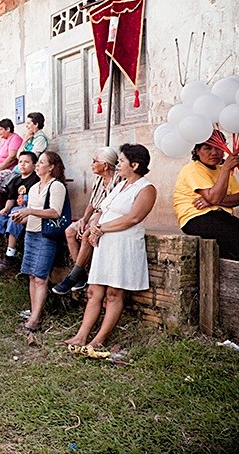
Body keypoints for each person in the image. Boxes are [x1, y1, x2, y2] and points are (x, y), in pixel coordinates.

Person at [64, 144, 157, 348]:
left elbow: (133, 218)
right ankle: (81, 335)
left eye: (122, 161)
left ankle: (98, 340)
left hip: (124, 245)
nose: (119, 164)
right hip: (105, 243)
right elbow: (102, 208)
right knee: (93, 291)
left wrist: (101, 228)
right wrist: (95, 223)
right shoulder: (120, 184)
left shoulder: (146, 188)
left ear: (135, 164)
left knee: (114, 294)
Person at [10, 151, 67, 333]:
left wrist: (30, 211)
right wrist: (22, 217)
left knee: (41, 277)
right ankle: (34, 312)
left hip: (46, 235)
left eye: (41, 162)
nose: (37, 165)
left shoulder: (56, 186)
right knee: (31, 275)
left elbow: (55, 212)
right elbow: (32, 214)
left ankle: (35, 320)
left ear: (51, 167)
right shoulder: (34, 187)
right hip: (31, 233)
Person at [53, 147, 121, 294]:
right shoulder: (98, 180)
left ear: (105, 165)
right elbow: (91, 204)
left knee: (86, 235)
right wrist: (84, 219)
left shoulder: (118, 179)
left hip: (108, 216)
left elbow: (110, 207)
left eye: (95, 161)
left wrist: (92, 221)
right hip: (95, 214)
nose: (92, 164)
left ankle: (73, 276)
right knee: (70, 231)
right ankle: (80, 275)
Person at [173, 131, 239, 261]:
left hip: (221, 216)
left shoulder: (222, 170)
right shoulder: (193, 169)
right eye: (207, 148)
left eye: (219, 148)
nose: (214, 153)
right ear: (197, 150)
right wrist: (226, 169)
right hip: (196, 218)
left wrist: (214, 201)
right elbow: (214, 197)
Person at [0, 118, 24, 192]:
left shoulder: (15, 139)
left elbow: (12, 158)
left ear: (8, 129)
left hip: (7, 169)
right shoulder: (3, 140)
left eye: (1, 129)